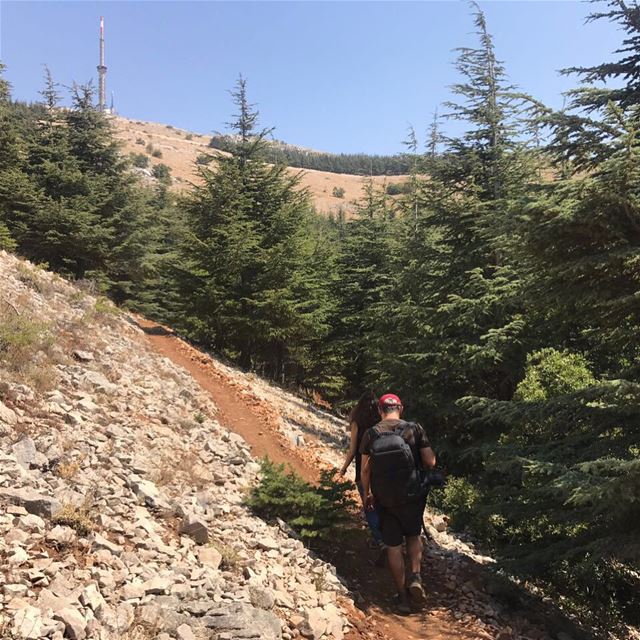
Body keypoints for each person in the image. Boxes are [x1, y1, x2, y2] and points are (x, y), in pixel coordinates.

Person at [359, 393, 436, 614]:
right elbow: (430, 462)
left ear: (380, 411)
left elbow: (365, 470)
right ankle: (416, 576)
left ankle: (402, 597)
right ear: (400, 408)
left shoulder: (371, 433)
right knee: (413, 535)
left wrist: (367, 496)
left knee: (393, 545)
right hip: (412, 495)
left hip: (385, 498)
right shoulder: (414, 429)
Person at [339, 390, 385, 555]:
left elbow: (352, 450)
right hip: (381, 468)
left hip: (362, 467)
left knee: (368, 504)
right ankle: (387, 538)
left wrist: (343, 469)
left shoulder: (357, 421)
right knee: (381, 503)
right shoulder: (381, 422)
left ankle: (379, 540)